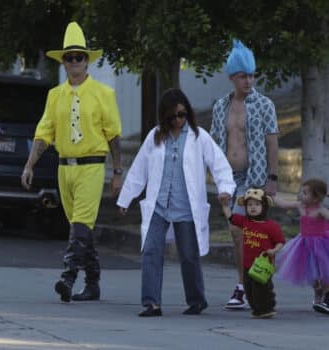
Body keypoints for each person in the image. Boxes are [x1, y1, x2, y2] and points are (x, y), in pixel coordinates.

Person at [21, 22, 122, 303]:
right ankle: (93, 282)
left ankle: (68, 277)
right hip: (65, 167)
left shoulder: (104, 94)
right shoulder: (55, 95)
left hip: (92, 165)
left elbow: (113, 135)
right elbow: (44, 133)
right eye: (69, 57)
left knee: (79, 224)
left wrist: (117, 172)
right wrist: (30, 164)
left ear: (87, 60)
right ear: (63, 62)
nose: (74, 62)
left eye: (79, 56)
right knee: (81, 227)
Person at [117, 88, 235, 317]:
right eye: (172, 117)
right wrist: (126, 198)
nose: (178, 120)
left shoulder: (199, 136)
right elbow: (139, 169)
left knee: (189, 255)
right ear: (164, 117)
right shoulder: (155, 136)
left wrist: (225, 189)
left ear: (187, 112)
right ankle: (152, 303)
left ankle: (196, 300)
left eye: (182, 115)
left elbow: (219, 164)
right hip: (159, 206)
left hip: (186, 207)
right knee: (151, 250)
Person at [210, 39, 279, 309]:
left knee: (255, 235)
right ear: (232, 77)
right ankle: (243, 284)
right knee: (236, 232)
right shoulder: (220, 106)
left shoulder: (264, 104)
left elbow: (272, 141)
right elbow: (214, 144)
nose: (248, 81)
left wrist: (273, 178)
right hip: (230, 178)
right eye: (242, 76)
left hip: (256, 178)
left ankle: (254, 286)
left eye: (251, 75)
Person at [221, 188, 285, 318]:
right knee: (249, 289)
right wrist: (225, 205)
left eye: (257, 204)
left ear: (264, 206)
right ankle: (256, 309)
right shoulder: (245, 221)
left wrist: (273, 251)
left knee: (262, 288)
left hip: (263, 264)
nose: (253, 208)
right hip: (247, 264)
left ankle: (267, 309)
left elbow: (280, 242)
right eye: (249, 205)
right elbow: (230, 217)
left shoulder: (271, 226)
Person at [273, 178, 329, 314]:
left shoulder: (321, 210)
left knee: (325, 273)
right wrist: (272, 195)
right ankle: (318, 296)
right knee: (313, 275)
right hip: (304, 244)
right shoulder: (300, 206)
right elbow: (283, 204)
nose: (301, 195)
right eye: (301, 191)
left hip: (321, 244)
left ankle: (327, 297)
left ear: (316, 198)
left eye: (305, 193)